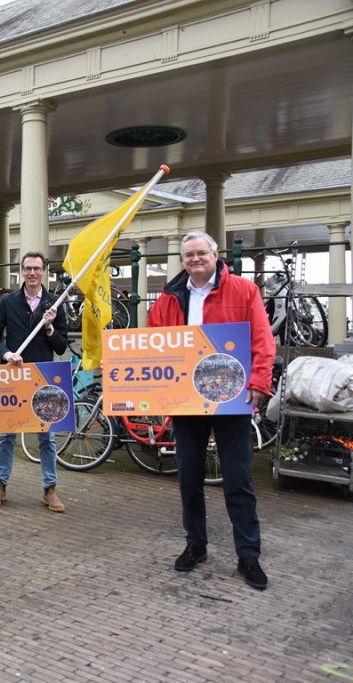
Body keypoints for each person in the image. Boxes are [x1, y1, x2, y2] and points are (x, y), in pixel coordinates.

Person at [148, 230, 274, 590]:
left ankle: (248, 554)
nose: (194, 259)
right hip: (186, 399)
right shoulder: (170, 297)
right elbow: (154, 341)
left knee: (237, 478)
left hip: (230, 397)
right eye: (188, 255)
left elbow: (262, 339)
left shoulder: (243, 291)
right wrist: (155, 392)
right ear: (182, 260)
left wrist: (259, 382)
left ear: (215, 255)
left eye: (200, 253)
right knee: (188, 477)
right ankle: (196, 544)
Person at [0, 252, 68, 511]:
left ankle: (49, 488)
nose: (32, 273)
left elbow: (62, 346)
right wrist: (6, 353)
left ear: (44, 272)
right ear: (21, 272)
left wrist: (50, 328)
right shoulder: (8, 302)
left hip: (42, 375)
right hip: (13, 376)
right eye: (28, 268)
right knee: (6, 433)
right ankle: (0, 484)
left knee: (46, 436)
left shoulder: (54, 304)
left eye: (37, 269)